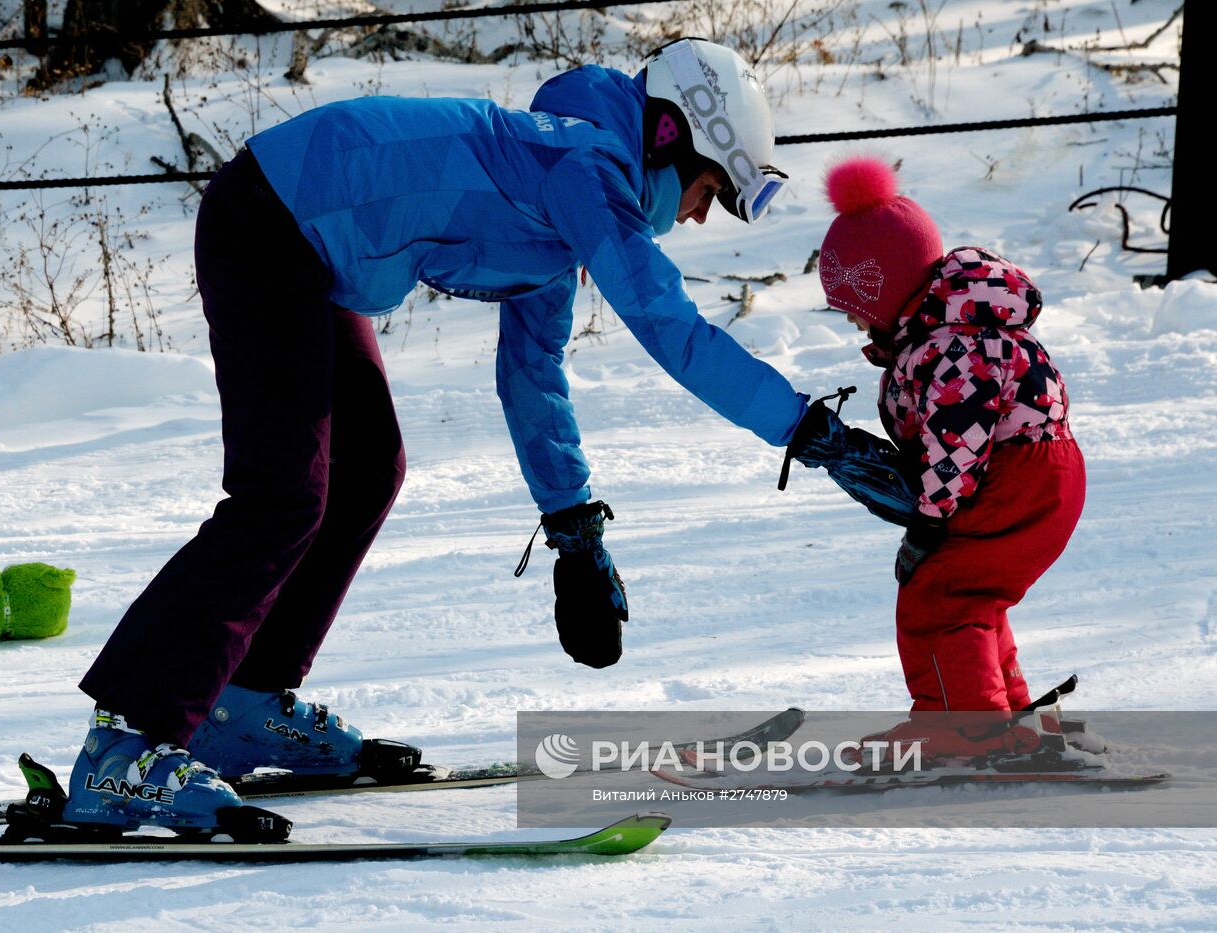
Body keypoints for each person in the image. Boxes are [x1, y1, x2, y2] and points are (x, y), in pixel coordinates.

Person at [58, 38, 828, 832]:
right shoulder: (583, 171)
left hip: (315, 253)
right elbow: (670, 325)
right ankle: (124, 745)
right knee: (280, 493)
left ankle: (242, 702)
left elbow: (532, 376)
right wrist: (806, 429)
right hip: (269, 223)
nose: (700, 214)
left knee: (366, 470)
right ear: (669, 137)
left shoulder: (561, 207)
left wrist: (575, 531)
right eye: (709, 189)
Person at [796, 155, 1086, 762]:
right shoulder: (954, 329)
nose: (851, 320)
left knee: (939, 596)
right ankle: (1003, 716)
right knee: (971, 596)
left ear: (888, 288)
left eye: (855, 305)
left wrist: (932, 517)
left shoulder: (957, 343)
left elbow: (960, 439)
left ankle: (962, 729)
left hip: (1015, 477)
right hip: (1033, 473)